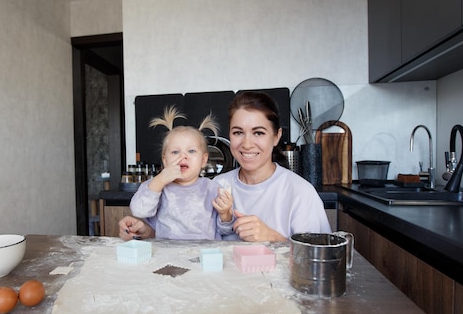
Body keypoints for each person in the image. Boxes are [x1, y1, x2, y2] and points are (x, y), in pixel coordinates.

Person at [120, 91, 331, 242]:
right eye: (238, 132)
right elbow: (187, 235)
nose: (247, 144)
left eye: (258, 132)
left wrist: (275, 238)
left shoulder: (300, 193)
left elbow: (321, 261)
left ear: (276, 137)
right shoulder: (217, 186)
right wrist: (146, 231)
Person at [121, 106, 234, 241]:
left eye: (191, 151)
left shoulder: (213, 189)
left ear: (203, 160)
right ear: (165, 160)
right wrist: (160, 180)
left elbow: (225, 231)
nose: (183, 156)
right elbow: (139, 210)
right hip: (167, 253)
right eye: (175, 152)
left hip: (204, 255)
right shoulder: (157, 187)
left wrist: (225, 213)